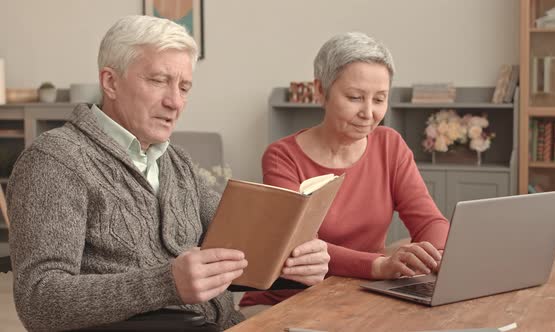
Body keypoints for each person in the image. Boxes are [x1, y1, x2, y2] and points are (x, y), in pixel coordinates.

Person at [7, 15, 329, 331]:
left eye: (184, 87)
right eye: (158, 80)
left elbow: (234, 250)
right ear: (110, 82)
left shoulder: (176, 161)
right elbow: (38, 301)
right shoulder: (55, 161)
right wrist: (165, 283)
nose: (175, 101)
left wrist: (292, 264)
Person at [240, 32, 450, 309]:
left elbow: (429, 221)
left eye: (379, 99)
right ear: (320, 91)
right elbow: (302, 246)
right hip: (286, 301)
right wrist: (379, 265)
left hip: (361, 293)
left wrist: (435, 255)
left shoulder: (390, 145)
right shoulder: (283, 157)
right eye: (354, 97)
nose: (369, 112)